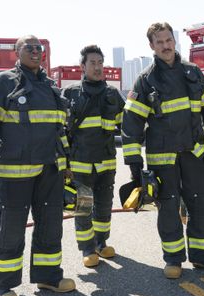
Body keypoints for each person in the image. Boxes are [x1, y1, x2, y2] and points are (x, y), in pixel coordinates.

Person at [121, 22, 204, 279]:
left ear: (174, 41)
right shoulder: (146, 80)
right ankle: (173, 259)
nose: (166, 46)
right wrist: (134, 162)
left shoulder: (193, 72)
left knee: (201, 203)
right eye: (160, 42)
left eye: (168, 40)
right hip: (163, 158)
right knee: (168, 209)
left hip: (194, 154)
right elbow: (132, 122)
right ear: (152, 46)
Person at [0, 35, 76, 296]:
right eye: (29, 48)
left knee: (51, 226)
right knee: (10, 229)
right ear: (17, 52)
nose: (35, 51)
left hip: (50, 170)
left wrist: (66, 165)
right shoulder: (4, 82)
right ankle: (3, 285)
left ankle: (48, 277)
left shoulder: (50, 86)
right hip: (13, 172)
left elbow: (60, 130)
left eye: (38, 48)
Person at [62, 45, 125, 268]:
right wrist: (64, 164)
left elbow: (127, 126)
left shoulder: (113, 94)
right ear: (83, 66)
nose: (98, 67)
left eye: (100, 63)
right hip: (80, 164)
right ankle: (87, 249)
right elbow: (61, 130)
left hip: (106, 164)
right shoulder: (71, 93)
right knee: (84, 207)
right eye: (93, 63)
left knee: (104, 207)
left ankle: (101, 243)